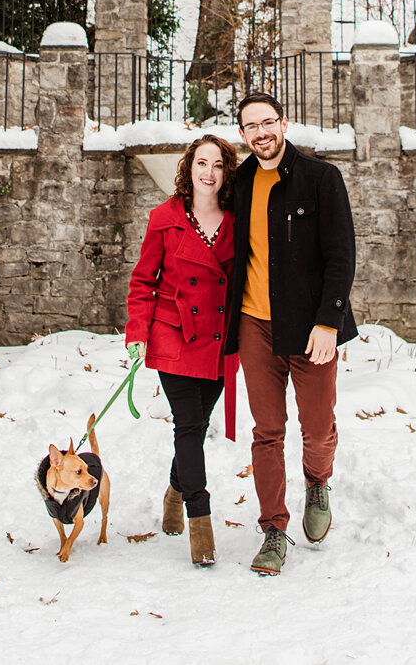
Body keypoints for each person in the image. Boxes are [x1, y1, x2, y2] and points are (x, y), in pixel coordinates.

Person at [222, 91, 357, 576]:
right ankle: (274, 530)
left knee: (317, 429)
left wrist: (329, 322)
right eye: (251, 126)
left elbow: (342, 257)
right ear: (242, 134)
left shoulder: (322, 179)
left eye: (268, 122)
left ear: (284, 122)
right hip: (255, 326)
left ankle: (318, 481)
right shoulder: (237, 185)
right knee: (267, 432)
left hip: (310, 329)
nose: (261, 132)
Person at [124, 132, 240, 568]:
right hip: (173, 334)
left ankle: (175, 489)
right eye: (201, 163)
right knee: (189, 426)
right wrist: (137, 331)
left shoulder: (237, 219)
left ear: (226, 173)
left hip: (219, 338)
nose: (208, 173)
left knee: (196, 424)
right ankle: (200, 518)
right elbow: (142, 282)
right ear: (188, 169)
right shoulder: (164, 218)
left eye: (218, 165)